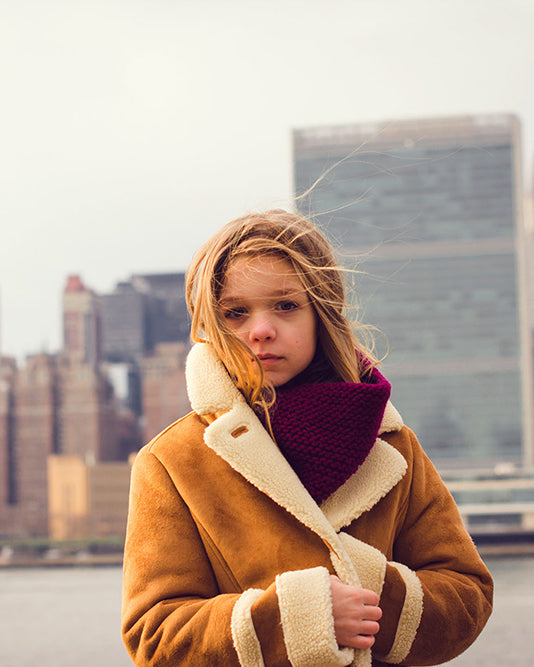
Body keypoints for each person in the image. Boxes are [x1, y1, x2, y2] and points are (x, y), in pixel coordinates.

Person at [121, 210, 493, 666]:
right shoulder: (174, 461)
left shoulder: (392, 445)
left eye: (285, 305)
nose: (260, 330)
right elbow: (154, 635)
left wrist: (372, 595)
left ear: (322, 313)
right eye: (235, 313)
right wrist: (297, 618)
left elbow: (466, 593)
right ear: (213, 328)